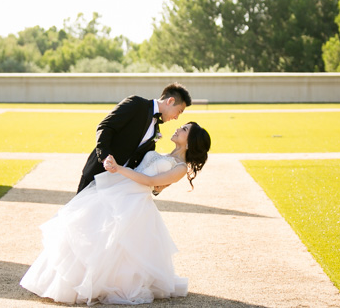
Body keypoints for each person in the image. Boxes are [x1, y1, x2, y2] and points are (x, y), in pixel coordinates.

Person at [20, 121, 212, 305]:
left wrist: (120, 170)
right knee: (92, 231)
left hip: (134, 201)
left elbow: (148, 181)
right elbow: (155, 183)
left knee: (115, 243)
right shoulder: (167, 155)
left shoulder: (179, 168)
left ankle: (99, 284)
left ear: (190, 140)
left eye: (184, 129)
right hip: (120, 190)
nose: (178, 128)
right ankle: (72, 281)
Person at [76, 83, 191, 194]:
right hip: (98, 172)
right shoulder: (136, 104)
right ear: (170, 101)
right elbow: (105, 127)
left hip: (119, 185)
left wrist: (157, 187)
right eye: (179, 112)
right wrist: (105, 157)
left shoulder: (155, 129)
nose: (176, 117)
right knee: (79, 211)